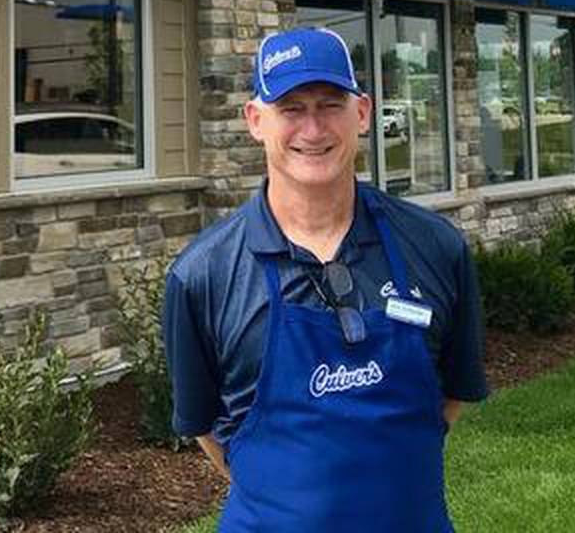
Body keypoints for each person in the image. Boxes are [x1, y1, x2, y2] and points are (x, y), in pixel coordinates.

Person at [164, 26, 488, 531]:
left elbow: (455, 393)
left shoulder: (435, 247)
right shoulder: (203, 275)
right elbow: (205, 430)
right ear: (256, 121)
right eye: (291, 109)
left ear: (362, 112)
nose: (312, 130)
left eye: (329, 104)